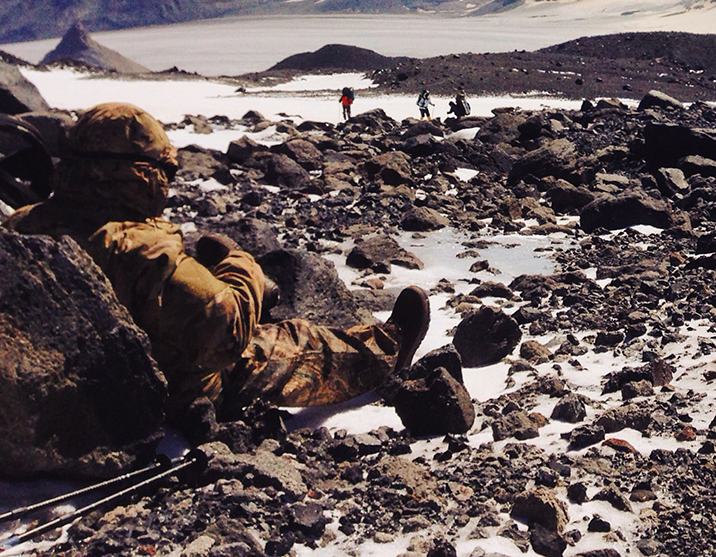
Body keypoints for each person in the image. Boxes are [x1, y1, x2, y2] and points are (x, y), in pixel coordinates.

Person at [3, 102, 430, 422]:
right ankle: (386, 350)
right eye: (162, 170)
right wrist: (241, 266)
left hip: (52, 398)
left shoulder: (24, 226)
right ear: (141, 174)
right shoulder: (143, 254)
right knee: (285, 342)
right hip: (158, 396)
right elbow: (226, 330)